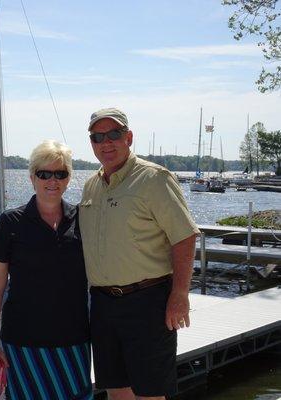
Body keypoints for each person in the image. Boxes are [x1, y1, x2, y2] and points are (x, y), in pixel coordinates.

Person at [79, 108, 199, 400]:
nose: (106, 143)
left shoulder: (155, 178)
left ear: (128, 137)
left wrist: (180, 294)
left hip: (148, 302)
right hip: (103, 305)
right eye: (97, 137)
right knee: (117, 391)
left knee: (151, 393)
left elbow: (184, 237)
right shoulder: (91, 185)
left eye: (114, 134)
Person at [0, 140, 93, 400]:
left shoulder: (83, 219)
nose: (52, 181)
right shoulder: (10, 222)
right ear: (32, 177)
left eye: (60, 173)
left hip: (73, 340)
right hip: (23, 342)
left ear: (68, 178)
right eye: (44, 174)